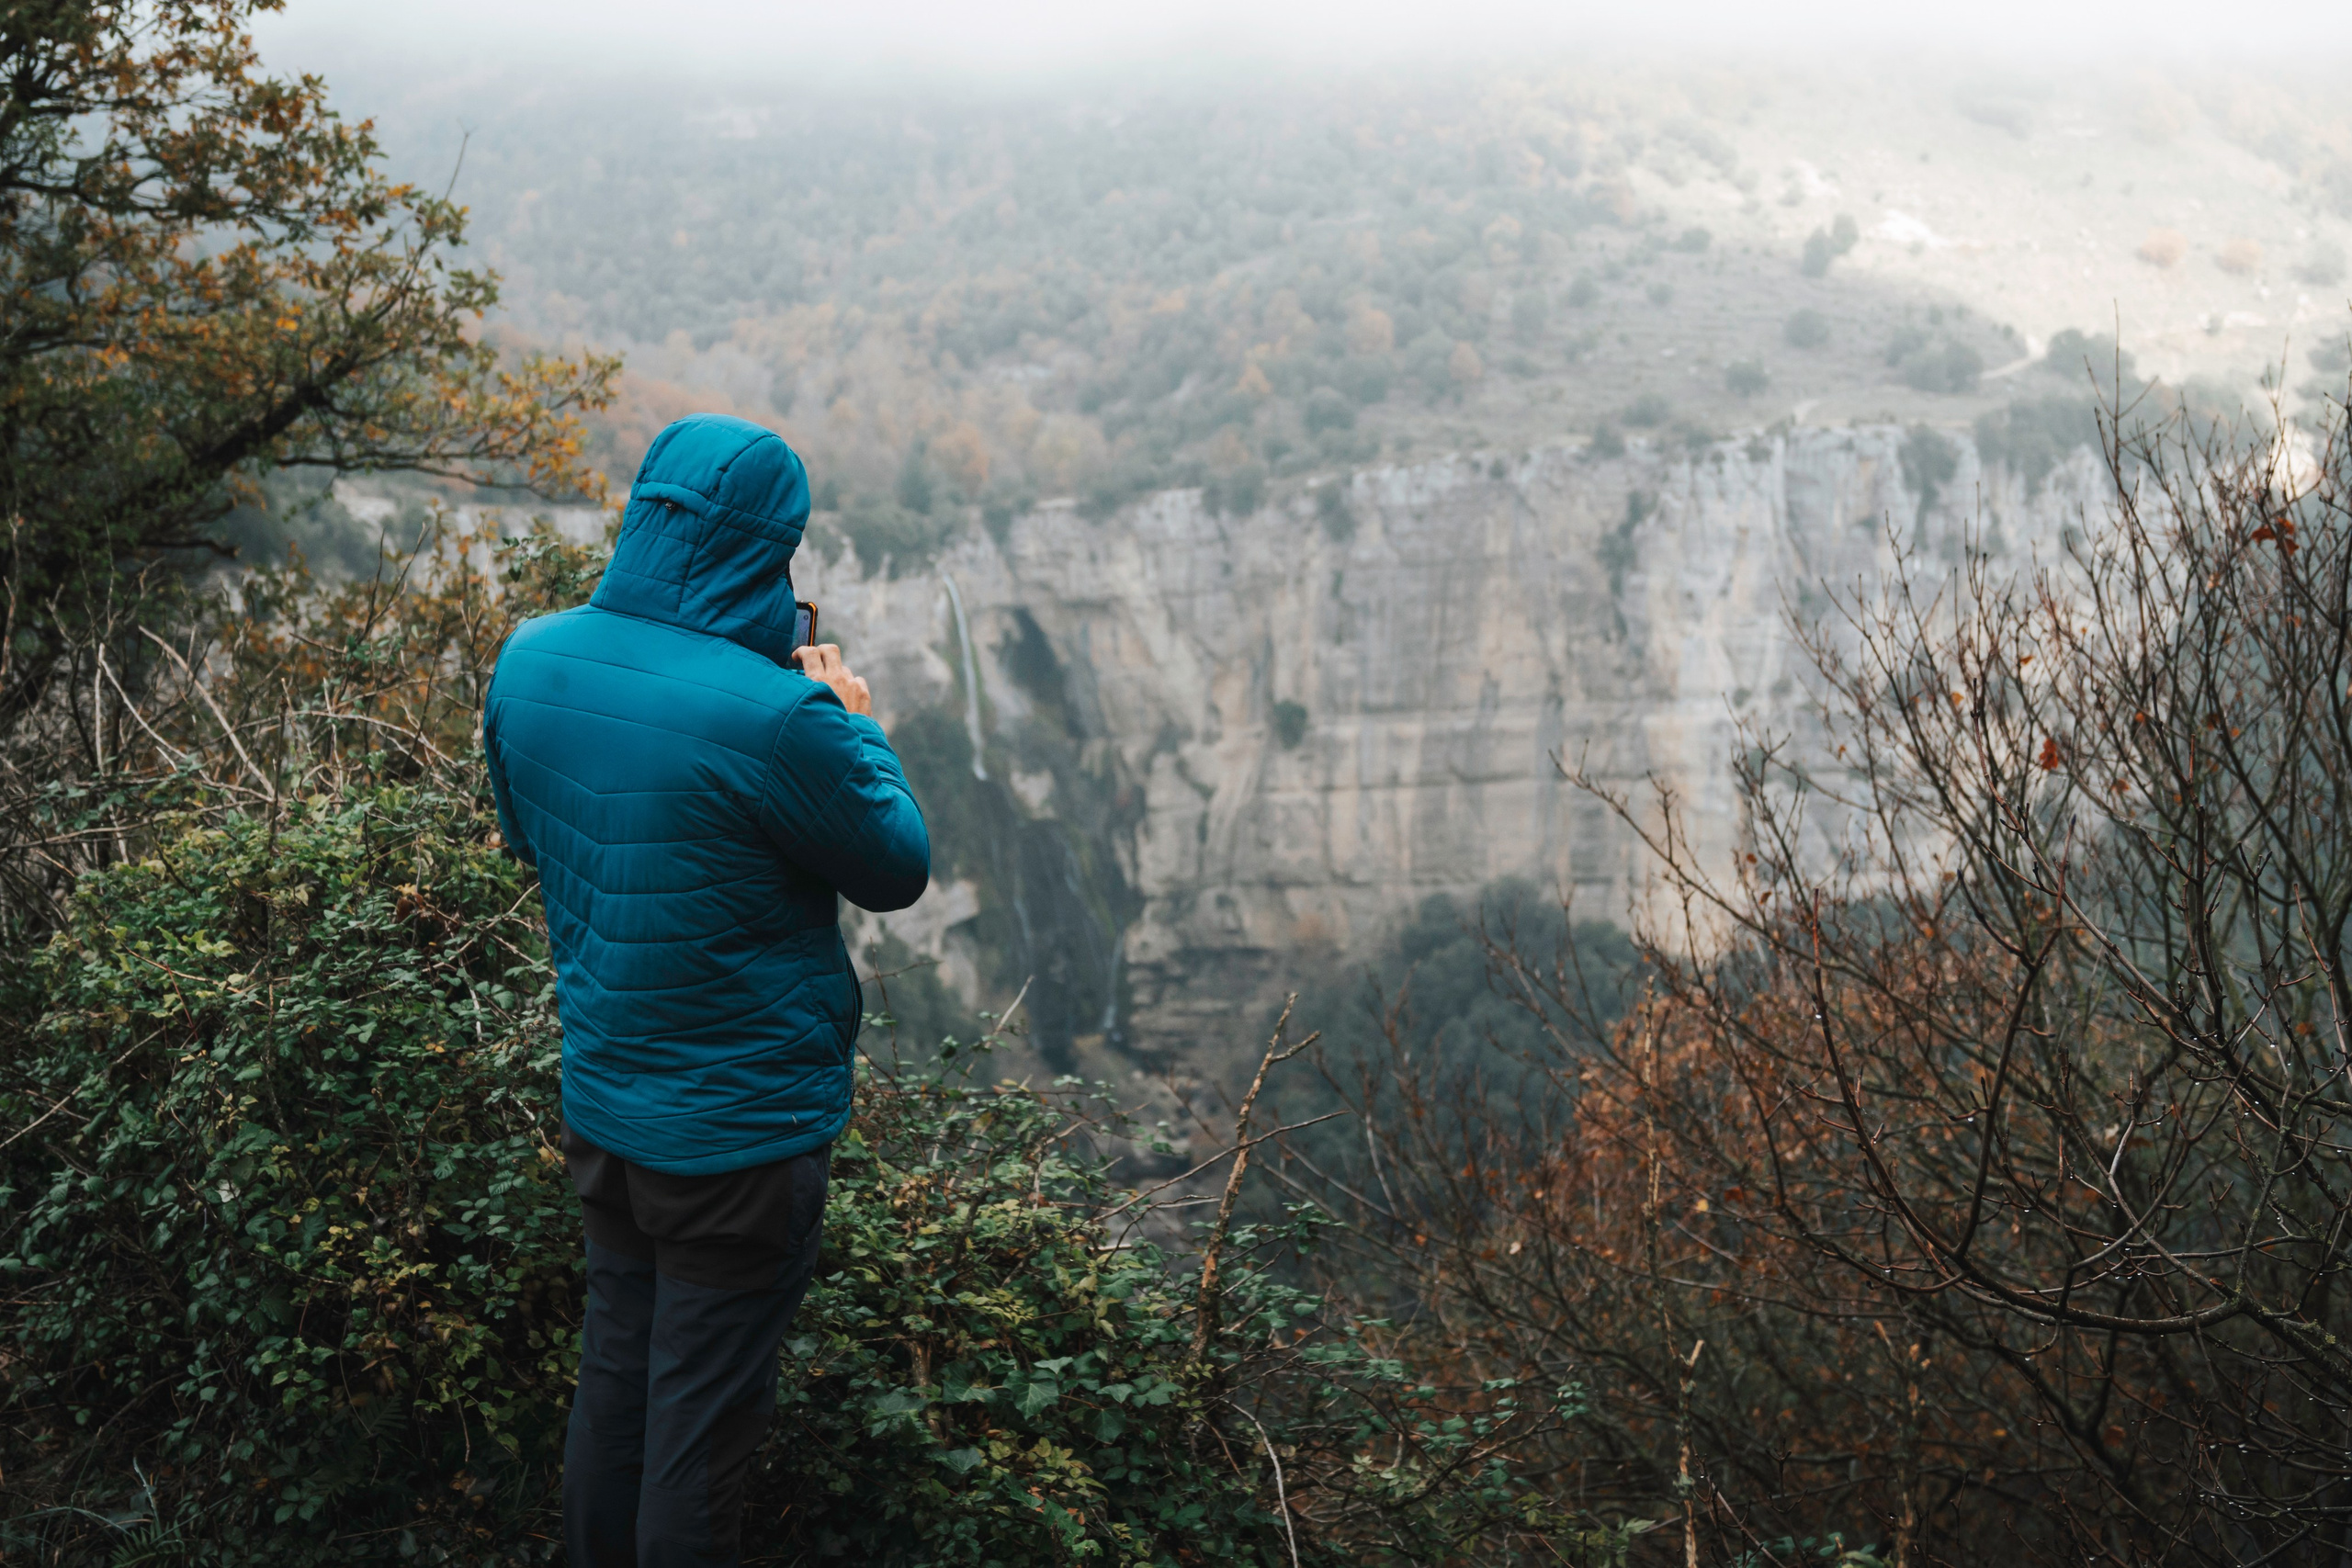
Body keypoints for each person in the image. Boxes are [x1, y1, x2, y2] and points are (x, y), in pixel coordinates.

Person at [482, 412, 930, 1566]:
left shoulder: (528, 660)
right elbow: (896, 867)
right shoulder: (780, 717)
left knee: (617, 1389)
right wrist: (855, 723)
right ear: (767, 552)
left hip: (607, 1112)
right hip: (740, 1140)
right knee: (701, 1437)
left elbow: (535, 844)